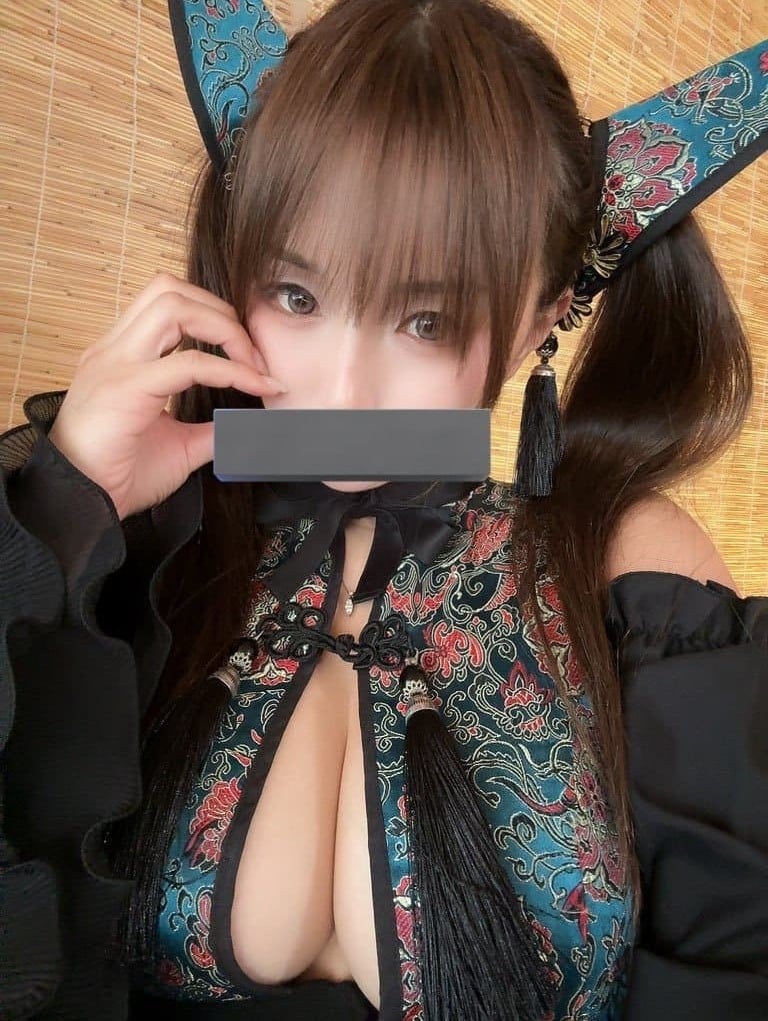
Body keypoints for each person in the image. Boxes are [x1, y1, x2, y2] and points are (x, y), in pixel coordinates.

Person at [1, 1, 767, 1019]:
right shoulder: (146, 539)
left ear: (540, 316)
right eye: (298, 295)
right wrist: (68, 505)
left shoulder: (633, 570)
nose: (343, 390)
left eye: (426, 319)